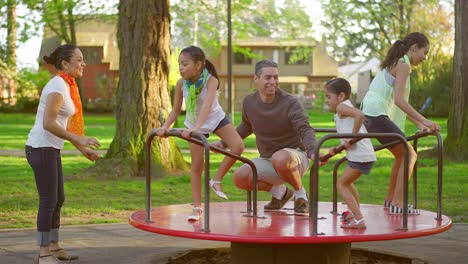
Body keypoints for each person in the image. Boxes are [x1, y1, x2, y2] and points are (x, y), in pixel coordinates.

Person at [25, 44, 101, 264]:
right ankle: (43, 253)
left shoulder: (68, 86)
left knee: (58, 200)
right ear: (65, 64)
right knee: (48, 201)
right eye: (79, 59)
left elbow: (65, 125)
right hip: (41, 148)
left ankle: (55, 247)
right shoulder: (58, 86)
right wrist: (79, 140)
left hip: (51, 148)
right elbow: (49, 123)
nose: (83, 64)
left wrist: (83, 149)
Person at [215, 60, 317, 214]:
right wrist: (224, 143)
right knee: (240, 178)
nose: (273, 82)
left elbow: (305, 128)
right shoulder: (249, 102)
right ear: (256, 78)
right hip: (268, 159)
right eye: (268, 77)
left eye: (276, 77)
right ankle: (280, 193)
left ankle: (301, 195)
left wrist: (312, 151)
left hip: (295, 157)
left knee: (280, 158)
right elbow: (246, 127)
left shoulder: (290, 102)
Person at [156, 45, 244, 221]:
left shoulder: (211, 81)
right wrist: (165, 127)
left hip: (215, 118)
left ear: (198, 65)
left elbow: (207, 106)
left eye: (185, 64)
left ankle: (217, 179)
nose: (180, 68)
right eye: (179, 64)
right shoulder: (181, 84)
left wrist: (195, 129)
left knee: (238, 146)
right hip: (193, 123)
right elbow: (175, 111)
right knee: (197, 166)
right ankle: (197, 208)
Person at [360, 32, 440, 215]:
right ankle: (398, 203)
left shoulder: (397, 62)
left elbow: (400, 103)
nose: (425, 58)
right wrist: (425, 120)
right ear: (413, 48)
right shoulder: (403, 65)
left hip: (372, 114)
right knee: (409, 155)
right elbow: (399, 101)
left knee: (402, 155)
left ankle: (391, 201)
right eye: (424, 52)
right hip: (376, 115)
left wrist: (420, 124)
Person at [324, 78, 376, 229]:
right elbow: (346, 136)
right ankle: (355, 214)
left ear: (340, 96)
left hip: (361, 155)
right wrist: (335, 149)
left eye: (329, 97)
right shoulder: (342, 109)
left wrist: (353, 138)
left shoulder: (341, 107)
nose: (327, 101)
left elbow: (360, 115)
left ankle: (359, 220)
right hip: (361, 155)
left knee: (341, 184)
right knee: (347, 183)